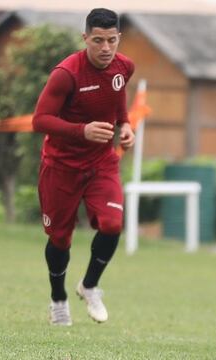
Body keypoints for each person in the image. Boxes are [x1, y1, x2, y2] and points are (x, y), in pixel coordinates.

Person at [32, 8, 135, 326]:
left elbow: (117, 97)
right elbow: (40, 120)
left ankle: (89, 286)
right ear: (86, 38)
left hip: (101, 162)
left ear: (119, 38)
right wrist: (82, 130)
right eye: (98, 41)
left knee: (112, 223)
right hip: (61, 166)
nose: (106, 48)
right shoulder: (66, 74)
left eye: (112, 40)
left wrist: (126, 125)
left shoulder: (124, 66)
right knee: (60, 239)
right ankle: (58, 299)